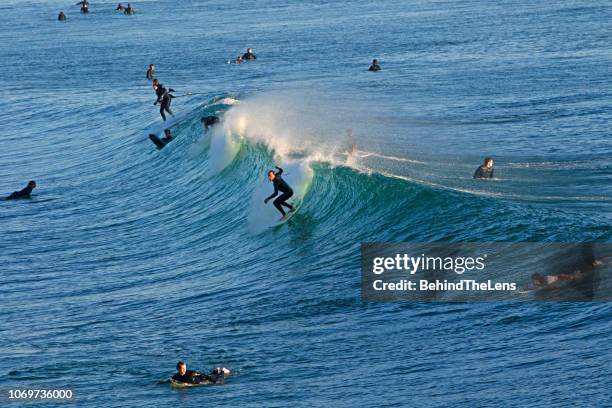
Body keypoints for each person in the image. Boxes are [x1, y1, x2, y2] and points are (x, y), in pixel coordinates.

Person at [531, 260, 603, 289]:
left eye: (535, 278)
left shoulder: (544, 279)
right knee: (581, 272)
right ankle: (594, 264)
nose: (535, 280)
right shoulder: (542, 279)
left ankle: (595, 264)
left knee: (582, 273)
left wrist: (538, 286)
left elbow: (545, 284)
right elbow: (539, 284)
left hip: (564, 277)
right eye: (535, 279)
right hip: (562, 277)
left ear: (538, 277)